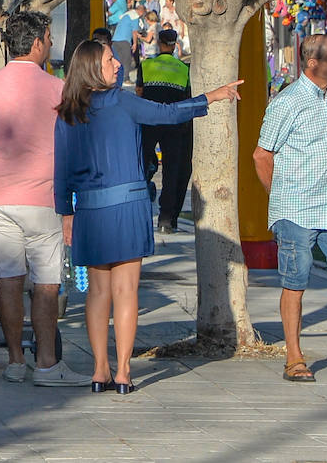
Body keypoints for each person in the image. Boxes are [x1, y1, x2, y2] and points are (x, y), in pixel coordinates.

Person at [54, 39, 240, 393]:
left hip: (90, 207)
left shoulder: (68, 113)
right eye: (110, 59)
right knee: (126, 291)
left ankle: (98, 370)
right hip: (128, 204)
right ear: (94, 67)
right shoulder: (123, 102)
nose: (117, 64)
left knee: (97, 293)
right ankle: (123, 371)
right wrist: (210, 98)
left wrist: (65, 212)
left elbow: (61, 168)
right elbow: (168, 115)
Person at [0, 11, 89, 387]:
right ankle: (48, 364)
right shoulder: (58, 88)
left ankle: (15, 360)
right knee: (47, 284)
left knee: (8, 280)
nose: (51, 44)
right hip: (43, 197)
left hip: (0, 197)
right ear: (37, 42)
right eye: (49, 38)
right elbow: (75, 144)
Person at [252, 34, 327, 383]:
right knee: (296, 283)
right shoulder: (287, 103)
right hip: (295, 211)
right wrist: (279, 197)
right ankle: (294, 358)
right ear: (312, 64)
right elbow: (262, 156)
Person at [136, 28, 193, 234]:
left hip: (149, 121)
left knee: (141, 167)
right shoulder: (183, 69)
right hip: (174, 123)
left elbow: (139, 93)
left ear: (159, 43)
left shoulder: (146, 65)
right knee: (171, 171)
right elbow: (187, 98)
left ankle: (139, 212)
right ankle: (166, 219)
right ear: (174, 44)